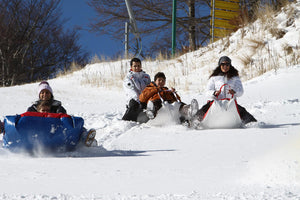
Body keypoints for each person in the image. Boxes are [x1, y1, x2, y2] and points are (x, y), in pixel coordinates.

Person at [192, 56, 257, 124]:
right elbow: (207, 91)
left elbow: (241, 91)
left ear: (230, 65)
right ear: (220, 65)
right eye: (223, 64)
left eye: (227, 64)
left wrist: (234, 92)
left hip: (230, 103)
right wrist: (214, 93)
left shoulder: (235, 77)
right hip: (216, 103)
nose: (225, 66)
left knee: (242, 111)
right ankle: (193, 123)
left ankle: (253, 124)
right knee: (204, 109)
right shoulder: (214, 77)